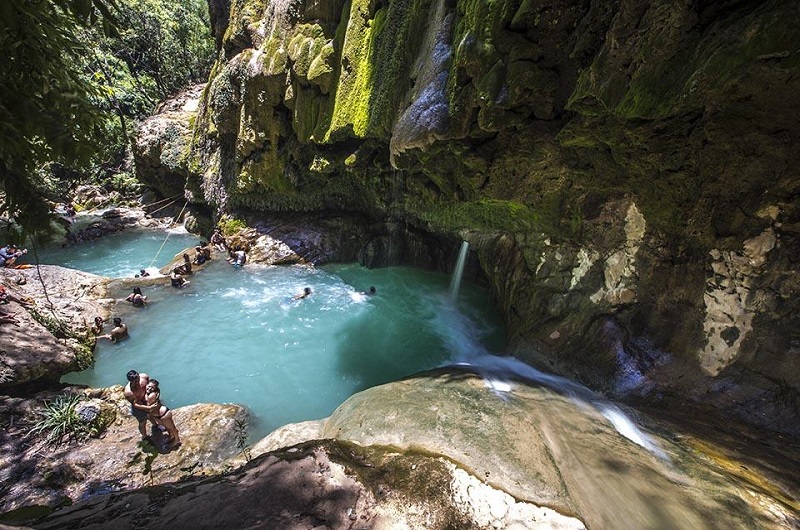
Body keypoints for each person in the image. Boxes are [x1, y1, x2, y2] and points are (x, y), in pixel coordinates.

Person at [143, 379, 181, 448]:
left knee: (172, 428)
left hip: (164, 414)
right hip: (158, 416)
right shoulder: (151, 393)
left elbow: (148, 407)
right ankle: (171, 436)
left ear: (155, 389)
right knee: (168, 428)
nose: (149, 388)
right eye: (148, 386)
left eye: (152, 387)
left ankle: (177, 440)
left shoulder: (152, 395)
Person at [124, 370, 153, 441]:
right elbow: (135, 404)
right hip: (138, 407)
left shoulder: (144, 377)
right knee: (142, 422)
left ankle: (156, 425)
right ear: (130, 381)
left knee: (152, 415)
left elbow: (151, 387)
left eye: (138, 379)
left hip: (146, 400)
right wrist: (148, 407)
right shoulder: (128, 392)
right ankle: (144, 436)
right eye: (135, 381)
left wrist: (149, 398)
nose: (137, 382)